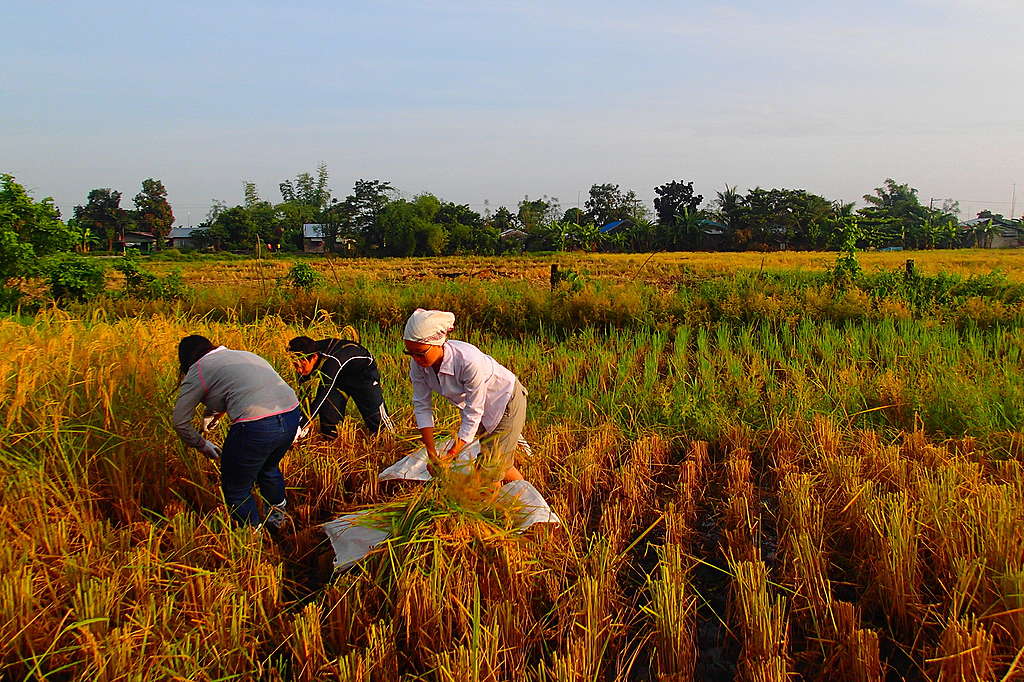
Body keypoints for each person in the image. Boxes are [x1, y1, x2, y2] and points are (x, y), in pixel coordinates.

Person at [173, 334, 300, 528]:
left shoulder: (198, 369)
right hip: (291, 415)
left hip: (256, 425)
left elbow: (180, 422)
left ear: (187, 359)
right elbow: (236, 389)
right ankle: (278, 520)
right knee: (268, 469)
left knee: (236, 488)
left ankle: (252, 537)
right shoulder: (242, 355)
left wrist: (202, 444)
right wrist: (211, 418)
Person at [403, 308, 527, 486]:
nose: (415, 359)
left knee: (487, 473)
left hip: (505, 400)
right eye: (410, 353)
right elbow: (422, 406)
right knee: (499, 464)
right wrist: (431, 454)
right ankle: (529, 506)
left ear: (438, 342)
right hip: (483, 409)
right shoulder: (419, 366)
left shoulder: (468, 360)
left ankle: (495, 510)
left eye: (420, 353)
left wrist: (452, 455)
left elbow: (474, 411)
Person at [287, 335, 396, 440]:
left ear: (314, 357)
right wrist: (301, 422)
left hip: (363, 377)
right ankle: (330, 443)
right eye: (295, 365)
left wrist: (304, 424)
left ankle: (394, 440)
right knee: (328, 416)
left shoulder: (332, 360)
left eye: (300, 366)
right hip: (339, 379)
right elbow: (304, 397)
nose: (298, 370)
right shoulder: (304, 357)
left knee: (378, 422)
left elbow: (323, 393)